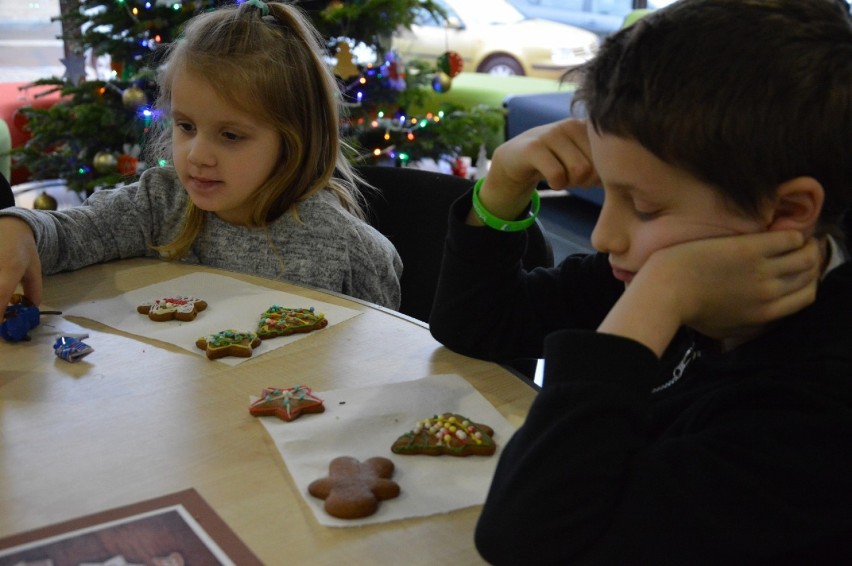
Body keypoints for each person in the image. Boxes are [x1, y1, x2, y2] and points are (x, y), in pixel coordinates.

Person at [429, 0, 852, 563]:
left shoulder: (815, 416)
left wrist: (662, 297)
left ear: (789, 210)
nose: (603, 237)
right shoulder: (650, 270)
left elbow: (533, 538)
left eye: (645, 207)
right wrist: (504, 182)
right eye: (605, 191)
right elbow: (476, 323)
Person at [0, 0, 402, 311]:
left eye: (230, 135)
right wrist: (22, 230)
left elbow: (382, 349)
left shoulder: (344, 246)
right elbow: (73, 234)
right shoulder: (161, 203)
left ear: (294, 141)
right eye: (186, 126)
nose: (198, 155)